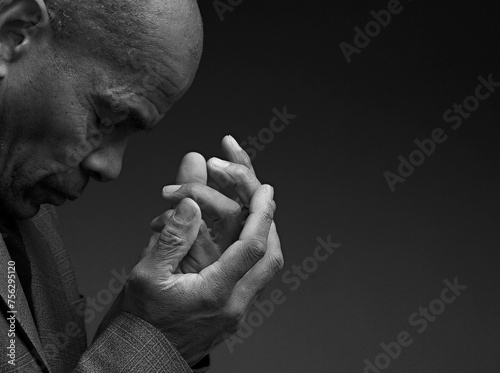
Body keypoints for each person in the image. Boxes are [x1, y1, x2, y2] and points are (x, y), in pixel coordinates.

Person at [0, 0, 284, 371]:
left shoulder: (28, 215)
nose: (111, 167)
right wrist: (156, 339)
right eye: (106, 118)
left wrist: (150, 324)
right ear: (13, 33)